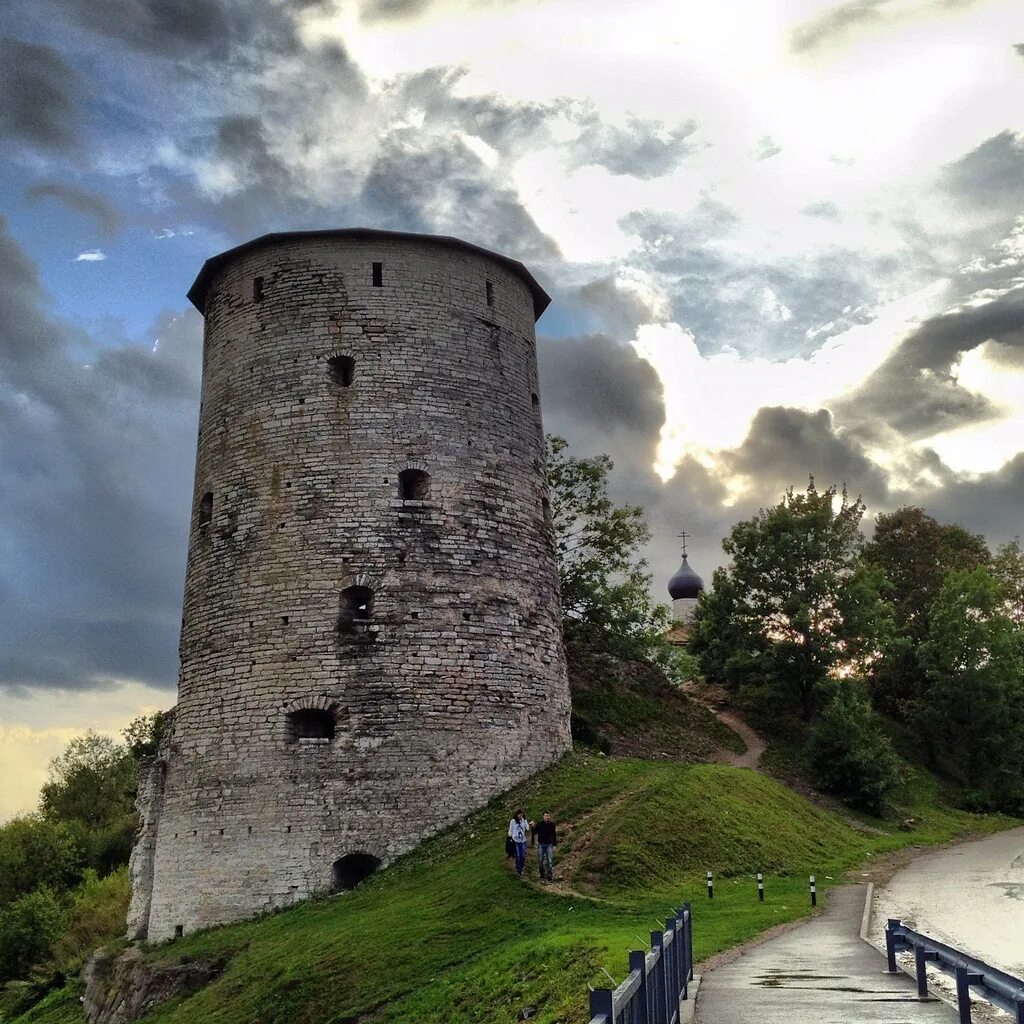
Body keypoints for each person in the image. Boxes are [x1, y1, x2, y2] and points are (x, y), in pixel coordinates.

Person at [507, 808, 531, 878]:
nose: (520, 817)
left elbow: (527, 828)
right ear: (517, 815)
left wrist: (529, 825)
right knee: (518, 856)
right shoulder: (513, 821)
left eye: (522, 815)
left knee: (523, 856)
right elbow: (510, 831)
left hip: (523, 841)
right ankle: (518, 871)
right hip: (516, 841)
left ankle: (521, 868)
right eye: (519, 815)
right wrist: (510, 838)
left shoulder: (524, 820)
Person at [534, 811, 557, 881]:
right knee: (540, 860)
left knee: (549, 860)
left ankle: (550, 876)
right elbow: (535, 831)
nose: (547, 817)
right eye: (546, 815)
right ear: (543, 816)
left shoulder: (552, 824)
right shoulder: (539, 824)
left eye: (548, 816)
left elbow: (554, 835)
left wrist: (555, 844)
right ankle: (542, 874)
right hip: (541, 844)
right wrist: (532, 827)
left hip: (549, 845)